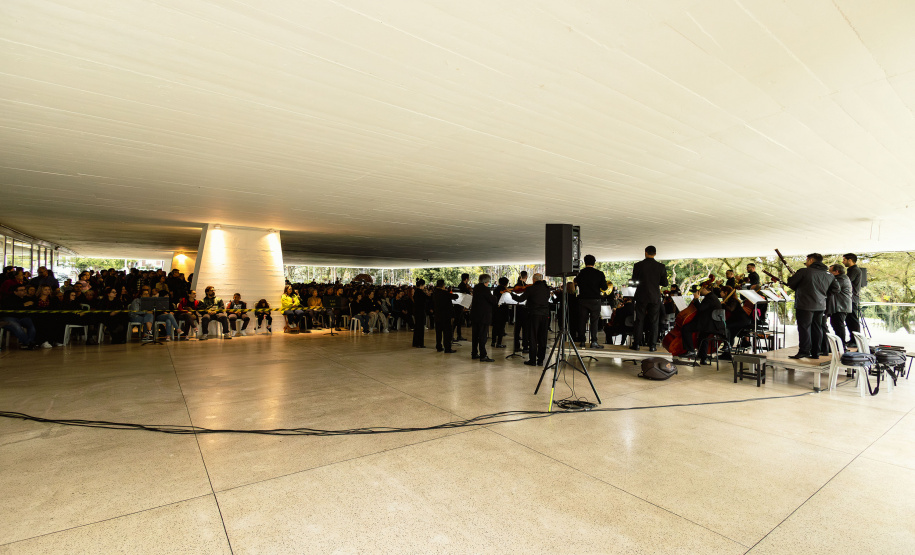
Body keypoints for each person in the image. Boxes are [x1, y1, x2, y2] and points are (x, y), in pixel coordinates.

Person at [786, 253, 839, 359]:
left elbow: (791, 284)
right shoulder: (829, 275)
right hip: (820, 305)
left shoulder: (804, 271)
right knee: (817, 328)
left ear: (810, 260)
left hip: (805, 305)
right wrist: (823, 295)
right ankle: (816, 353)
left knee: (804, 328)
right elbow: (837, 289)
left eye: (807, 260)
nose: (806, 262)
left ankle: (804, 351)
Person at [630, 246, 669, 351]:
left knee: (639, 320)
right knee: (654, 321)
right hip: (654, 297)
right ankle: (652, 346)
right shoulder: (661, 266)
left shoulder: (638, 265)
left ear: (645, 252)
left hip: (641, 296)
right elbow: (665, 283)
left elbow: (634, 281)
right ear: (655, 254)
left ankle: (637, 344)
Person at [511, 273, 551, 366]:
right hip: (545, 315)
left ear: (533, 279)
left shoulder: (531, 288)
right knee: (543, 338)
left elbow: (521, 299)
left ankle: (532, 360)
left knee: (533, 337)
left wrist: (512, 294)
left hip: (534, 315)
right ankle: (541, 360)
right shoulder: (547, 288)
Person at [680, 283, 725, 365]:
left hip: (709, 324)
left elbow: (700, 309)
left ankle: (690, 350)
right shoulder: (712, 297)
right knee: (703, 336)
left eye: (701, 288)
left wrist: (696, 299)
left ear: (705, 289)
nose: (700, 290)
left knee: (686, 328)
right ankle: (702, 357)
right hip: (712, 324)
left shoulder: (710, 298)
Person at [575, 254, 608, 349]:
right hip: (595, 300)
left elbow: (577, 283)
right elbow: (604, 287)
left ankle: (582, 341)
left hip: (583, 300)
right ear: (594, 262)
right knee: (594, 321)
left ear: (585, 262)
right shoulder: (599, 273)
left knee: (582, 321)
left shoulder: (580, 273)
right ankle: (594, 341)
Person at [823, 264, 853, 352]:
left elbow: (831, 288)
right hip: (841, 305)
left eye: (831, 271)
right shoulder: (843, 278)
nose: (829, 272)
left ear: (836, 271)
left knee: (838, 326)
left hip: (841, 306)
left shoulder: (841, 279)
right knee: (837, 325)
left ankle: (841, 346)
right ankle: (840, 345)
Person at [0, 283, 38, 349]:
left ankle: (29, 342)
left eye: (24, 289)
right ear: (15, 291)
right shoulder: (8, 299)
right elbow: (8, 308)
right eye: (21, 290)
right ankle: (27, 343)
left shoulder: (27, 298)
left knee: (31, 323)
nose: (24, 291)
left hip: (22, 317)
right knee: (16, 326)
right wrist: (23, 305)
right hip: (9, 318)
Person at [470, 274, 498, 362]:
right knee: (482, 336)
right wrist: (495, 298)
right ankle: (483, 355)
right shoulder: (485, 289)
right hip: (483, 316)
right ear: (486, 281)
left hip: (475, 315)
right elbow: (492, 300)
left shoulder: (476, 288)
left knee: (475, 335)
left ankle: (474, 353)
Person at [432, 279, 458, 352]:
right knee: (447, 332)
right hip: (445, 315)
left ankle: (439, 347)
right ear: (443, 285)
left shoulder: (435, 293)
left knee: (438, 332)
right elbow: (455, 296)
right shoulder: (444, 293)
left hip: (437, 315)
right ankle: (447, 348)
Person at [843, 253, 863, 347]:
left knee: (853, 320)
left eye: (844, 260)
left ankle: (855, 341)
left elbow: (846, 281)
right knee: (849, 320)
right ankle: (853, 339)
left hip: (852, 298)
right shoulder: (852, 270)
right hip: (851, 298)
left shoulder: (854, 270)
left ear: (850, 260)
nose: (843, 262)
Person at [513, 271, 530, 353]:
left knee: (517, 329)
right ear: (526, 277)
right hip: (524, 309)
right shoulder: (526, 287)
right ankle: (525, 346)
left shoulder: (516, 286)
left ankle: (516, 346)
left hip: (517, 309)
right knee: (525, 329)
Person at [490, 277, 510, 349]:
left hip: (495, 310)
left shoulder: (495, 290)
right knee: (501, 327)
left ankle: (493, 342)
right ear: (506, 284)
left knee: (495, 326)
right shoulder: (505, 290)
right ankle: (499, 343)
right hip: (503, 310)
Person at [412, 280, 430, 348]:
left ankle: (415, 343)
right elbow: (427, 298)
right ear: (421, 285)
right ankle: (420, 343)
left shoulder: (416, 292)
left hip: (417, 311)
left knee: (417, 327)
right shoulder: (420, 292)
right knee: (420, 328)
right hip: (420, 311)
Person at [454, 273, 471, 341]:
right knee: (457, 320)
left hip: (460, 304)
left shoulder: (461, 285)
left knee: (459, 321)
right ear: (466, 279)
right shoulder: (463, 285)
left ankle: (459, 335)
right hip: (460, 304)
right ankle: (453, 335)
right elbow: (468, 293)